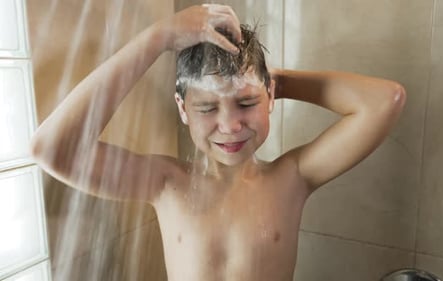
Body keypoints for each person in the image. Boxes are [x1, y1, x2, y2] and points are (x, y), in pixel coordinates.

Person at [31, 4, 406, 281]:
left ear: (270, 97)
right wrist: (157, 39)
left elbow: (385, 100)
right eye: (207, 107)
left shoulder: (291, 178)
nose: (230, 125)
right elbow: (50, 148)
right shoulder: (167, 183)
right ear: (183, 109)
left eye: (246, 103)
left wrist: (271, 79)